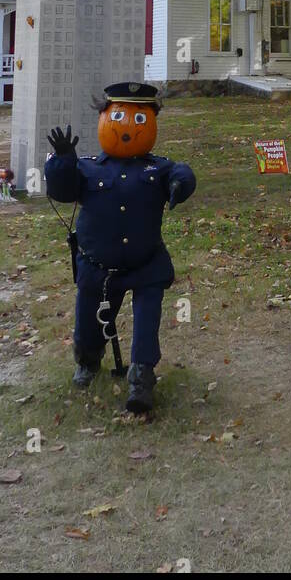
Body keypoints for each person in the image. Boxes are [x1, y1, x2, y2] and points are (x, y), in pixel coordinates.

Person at [44, 82, 196, 414]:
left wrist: (178, 185)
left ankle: (141, 377)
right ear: (103, 117)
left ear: (152, 122)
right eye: (118, 116)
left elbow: (183, 173)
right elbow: (63, 191)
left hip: (146, 265)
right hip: (98, 266)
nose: (127, 128)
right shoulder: (88, 168)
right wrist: (62, 162)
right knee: (90, 322)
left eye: (139, 119)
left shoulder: (157, 169)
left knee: (146, 321)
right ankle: (87, 360)